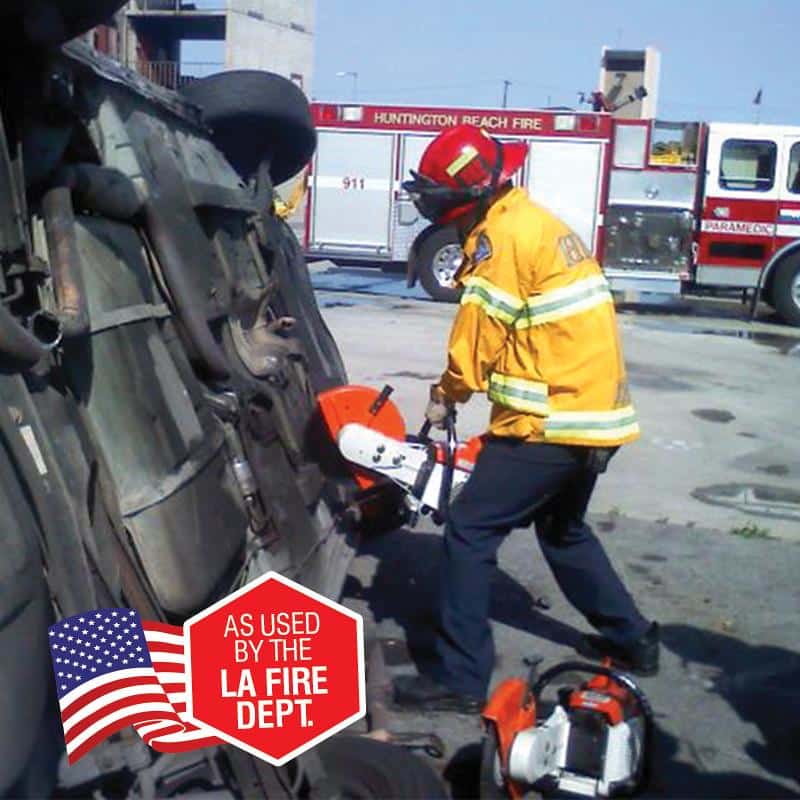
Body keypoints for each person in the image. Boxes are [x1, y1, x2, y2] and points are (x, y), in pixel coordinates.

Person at [393, 124, 658, 714]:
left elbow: (479, 335)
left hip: (553, 421)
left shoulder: (503, 238)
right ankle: (633, 639)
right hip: (593, 415)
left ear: (463, 196)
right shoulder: (532, 221)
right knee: (562, 529)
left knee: (469, 529)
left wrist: (446, 394)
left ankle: (460, 680)